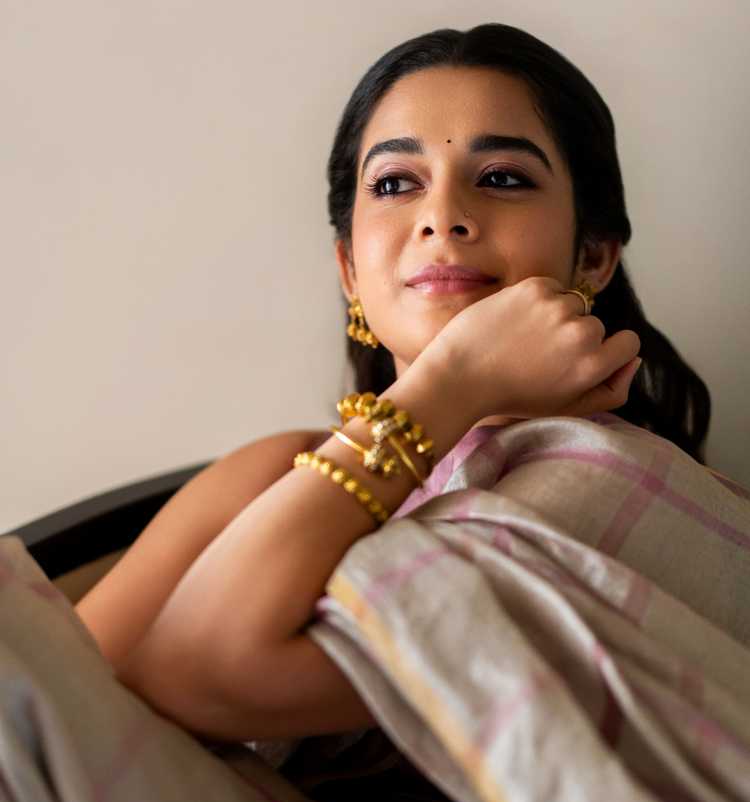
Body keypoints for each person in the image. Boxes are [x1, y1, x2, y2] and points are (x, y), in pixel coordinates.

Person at [75, 23, 710, 745]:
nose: (442, 218)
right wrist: (449, 390)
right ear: (350, 267)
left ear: (592, 256)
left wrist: (457, 383)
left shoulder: (606, 497)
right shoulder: (265, 478)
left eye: (502, 177)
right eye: (394, 183)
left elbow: (198, 670)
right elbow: (43, 720)